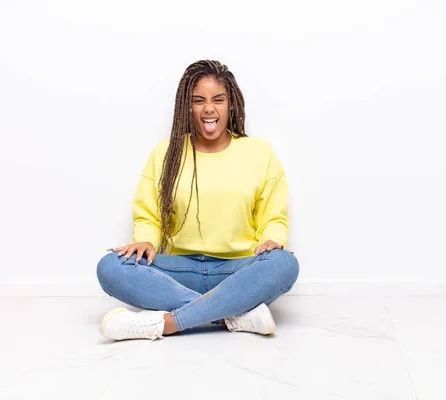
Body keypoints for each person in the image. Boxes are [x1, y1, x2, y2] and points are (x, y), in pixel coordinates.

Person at [96, 60, 299, 341]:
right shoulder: (166, 152)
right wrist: (145, 240)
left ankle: (168, 323)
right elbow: (149, 216)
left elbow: (273, 217)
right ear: (186, 107)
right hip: (180, 269)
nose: (209, 109)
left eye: (218, 99)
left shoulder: (259, 153)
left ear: (231, 105)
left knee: (284, 265)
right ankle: (231, 313)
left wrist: (272, 239)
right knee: (110, 267)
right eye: (198, 101)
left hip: (237, 270)